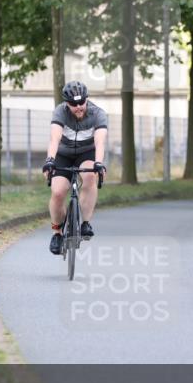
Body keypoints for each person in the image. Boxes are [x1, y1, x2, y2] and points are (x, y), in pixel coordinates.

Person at [42, 81, 108, 255]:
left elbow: (100, 142)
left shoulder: (98, 113)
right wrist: (50, 160)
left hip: (86, 153)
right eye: (73, 104)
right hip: (63, 154)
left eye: (82, 102)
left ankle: (85, 222)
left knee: (89, 177)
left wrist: (99, 163)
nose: (78, 107)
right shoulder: (60, 112)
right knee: (57, 192)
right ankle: (57, 232)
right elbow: (54, 139)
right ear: (66, 103)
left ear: (87, 100)